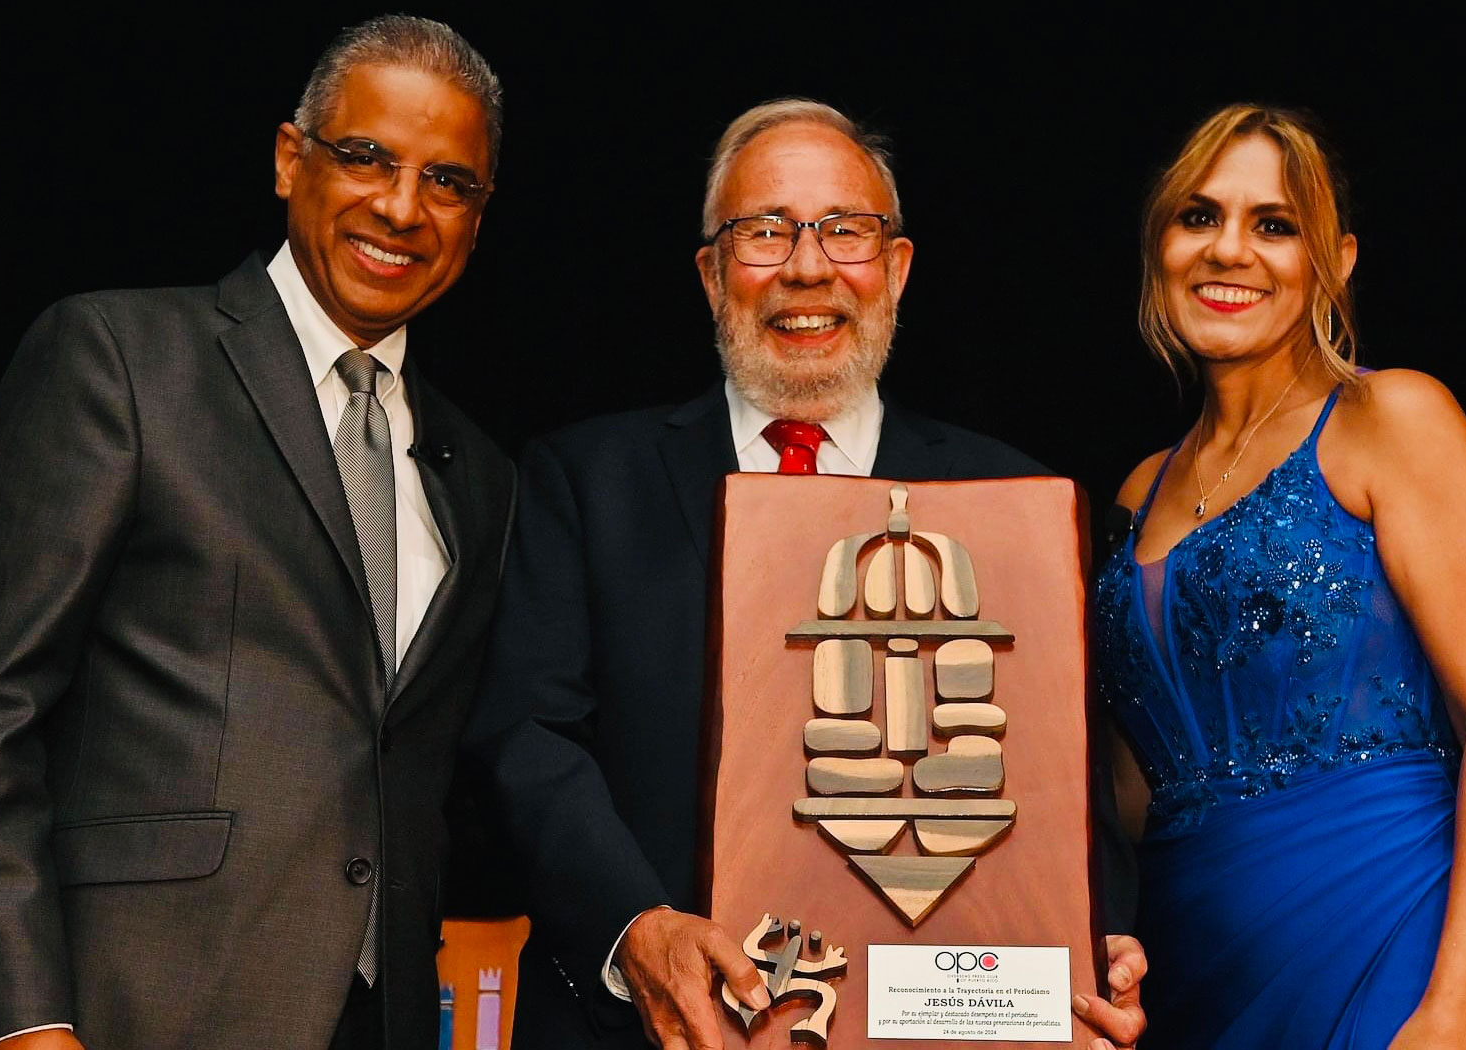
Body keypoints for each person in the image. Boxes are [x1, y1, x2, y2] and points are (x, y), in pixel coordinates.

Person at [463, 98, 1147, 1049]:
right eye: (765, 231)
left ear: (896, 269)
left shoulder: (1018, 502)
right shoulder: (586, 481)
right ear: (711, 275)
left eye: (845, 230)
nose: (808, 267)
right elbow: (526, 736)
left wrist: (1096, 943)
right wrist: (636, 930)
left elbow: (1065, 788)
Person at [0, 16, 515, 1050]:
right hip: (130, 1011)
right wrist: (21, 1022)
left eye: (447, 182)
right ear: (289, 160)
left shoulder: (481, 476)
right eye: (366, 157)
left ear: (477, 215)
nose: (401, 207)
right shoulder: (121, 359)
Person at [1094, 102, 1466, 1047]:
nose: (1228, 249)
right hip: (1191, 967)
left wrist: (1459, 1006)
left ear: (1335, 261)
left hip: (1389, 943)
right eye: (1198, 216)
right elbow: (1123, 793)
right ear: (1160, 245)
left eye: (1274, 225)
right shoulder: (1142, 489)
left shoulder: (1393, 419)